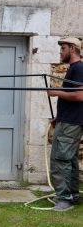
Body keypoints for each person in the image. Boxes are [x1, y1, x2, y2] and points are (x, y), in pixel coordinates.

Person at [47, 37, 83, 211]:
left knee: (60, 159)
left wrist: (56, 92)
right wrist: (58, 117)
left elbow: (79, 96)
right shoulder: (74, 69)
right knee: (70, 159)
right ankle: (74, 196)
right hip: (69, 119)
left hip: (71, 123)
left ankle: (64, 199)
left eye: (63, 48)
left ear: (73, 49)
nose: (60, 52)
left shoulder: (79, 68)